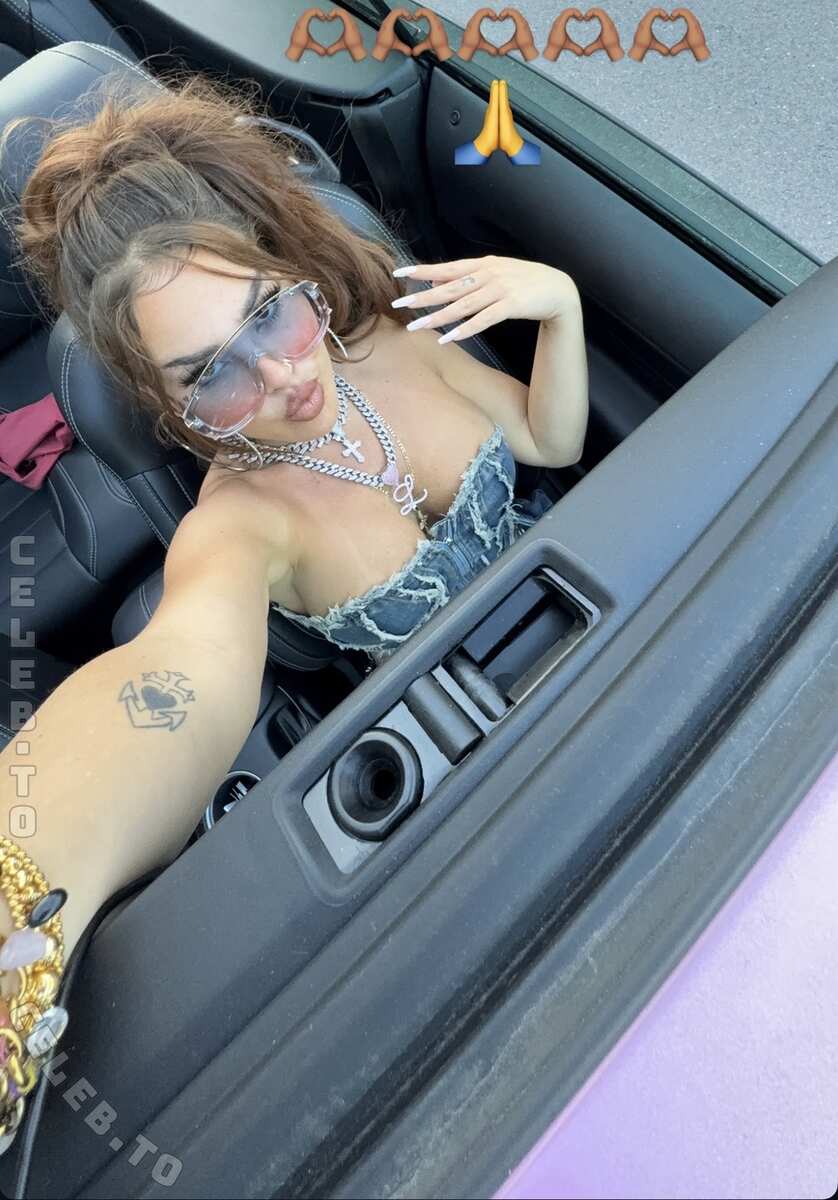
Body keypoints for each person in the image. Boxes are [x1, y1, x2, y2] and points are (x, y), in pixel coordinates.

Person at [0, 71, 588, 1148]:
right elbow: (169, 682)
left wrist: (560, 303)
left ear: (285, 263)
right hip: (474, 764)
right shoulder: (236, 529)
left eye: (270, 310)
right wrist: (15, 893)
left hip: (597, 627)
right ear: (166, 405)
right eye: (213, 375)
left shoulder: (394, 341)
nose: (280, 374)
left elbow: (550, 439)